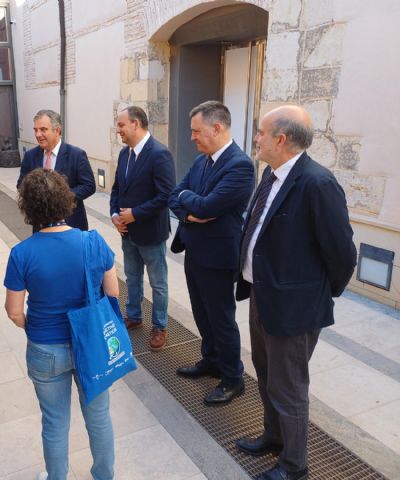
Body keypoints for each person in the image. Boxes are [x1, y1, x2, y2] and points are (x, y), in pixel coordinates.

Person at [233, 105, 356, 480]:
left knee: (289, 388)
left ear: (281, 139)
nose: (256, 138)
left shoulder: (317, 184)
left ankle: (294, 465)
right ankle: (274, 437)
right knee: (266, 375)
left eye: (261, 132)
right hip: (262, 296)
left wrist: (315, 296)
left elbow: (342, 254)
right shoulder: (270, 175)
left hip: (293, 308)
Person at [4, 169, 117, 480]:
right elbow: (112, 293)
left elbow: (13, 312)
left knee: (54, 422)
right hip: (91, 344)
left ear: (28, 207)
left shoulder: (21, 253)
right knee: (99, 417)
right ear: (67, 200)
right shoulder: (93, 242)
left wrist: (33, 326)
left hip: (45, 347)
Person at [168, 101, 254, 405]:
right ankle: (212, 360)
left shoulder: (240, 166)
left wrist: (190, 200)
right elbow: (174, 196)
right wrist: (190, 210)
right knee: (201, 313)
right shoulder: (202, 161)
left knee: (221, 319)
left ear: (217, 128)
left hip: (219, 257)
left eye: (196, 131)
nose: (191, 137)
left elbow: (207, 206)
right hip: (195, 249)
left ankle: (232, 378)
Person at [109, 106, 176, 351]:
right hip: (127, 232)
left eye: (121, 125)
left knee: (158, 283)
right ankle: (134, 316)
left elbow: (167, 195)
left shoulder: (160, 154)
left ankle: (160, 326)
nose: (118, 129)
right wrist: (115, 215)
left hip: (151, 233)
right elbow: (117, 188)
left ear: (135, 124)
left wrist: (135, 214)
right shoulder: (124, 154)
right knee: (132, 277)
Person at [17, 109, 96, 231]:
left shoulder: (76, 155)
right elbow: (21, 185)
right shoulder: (30, 156)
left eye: (43, 129)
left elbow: (89, 186)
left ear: (57, 130)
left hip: (71, 223)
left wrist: (61, 198)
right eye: (36, 130)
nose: (38, 134)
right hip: (40, 226)